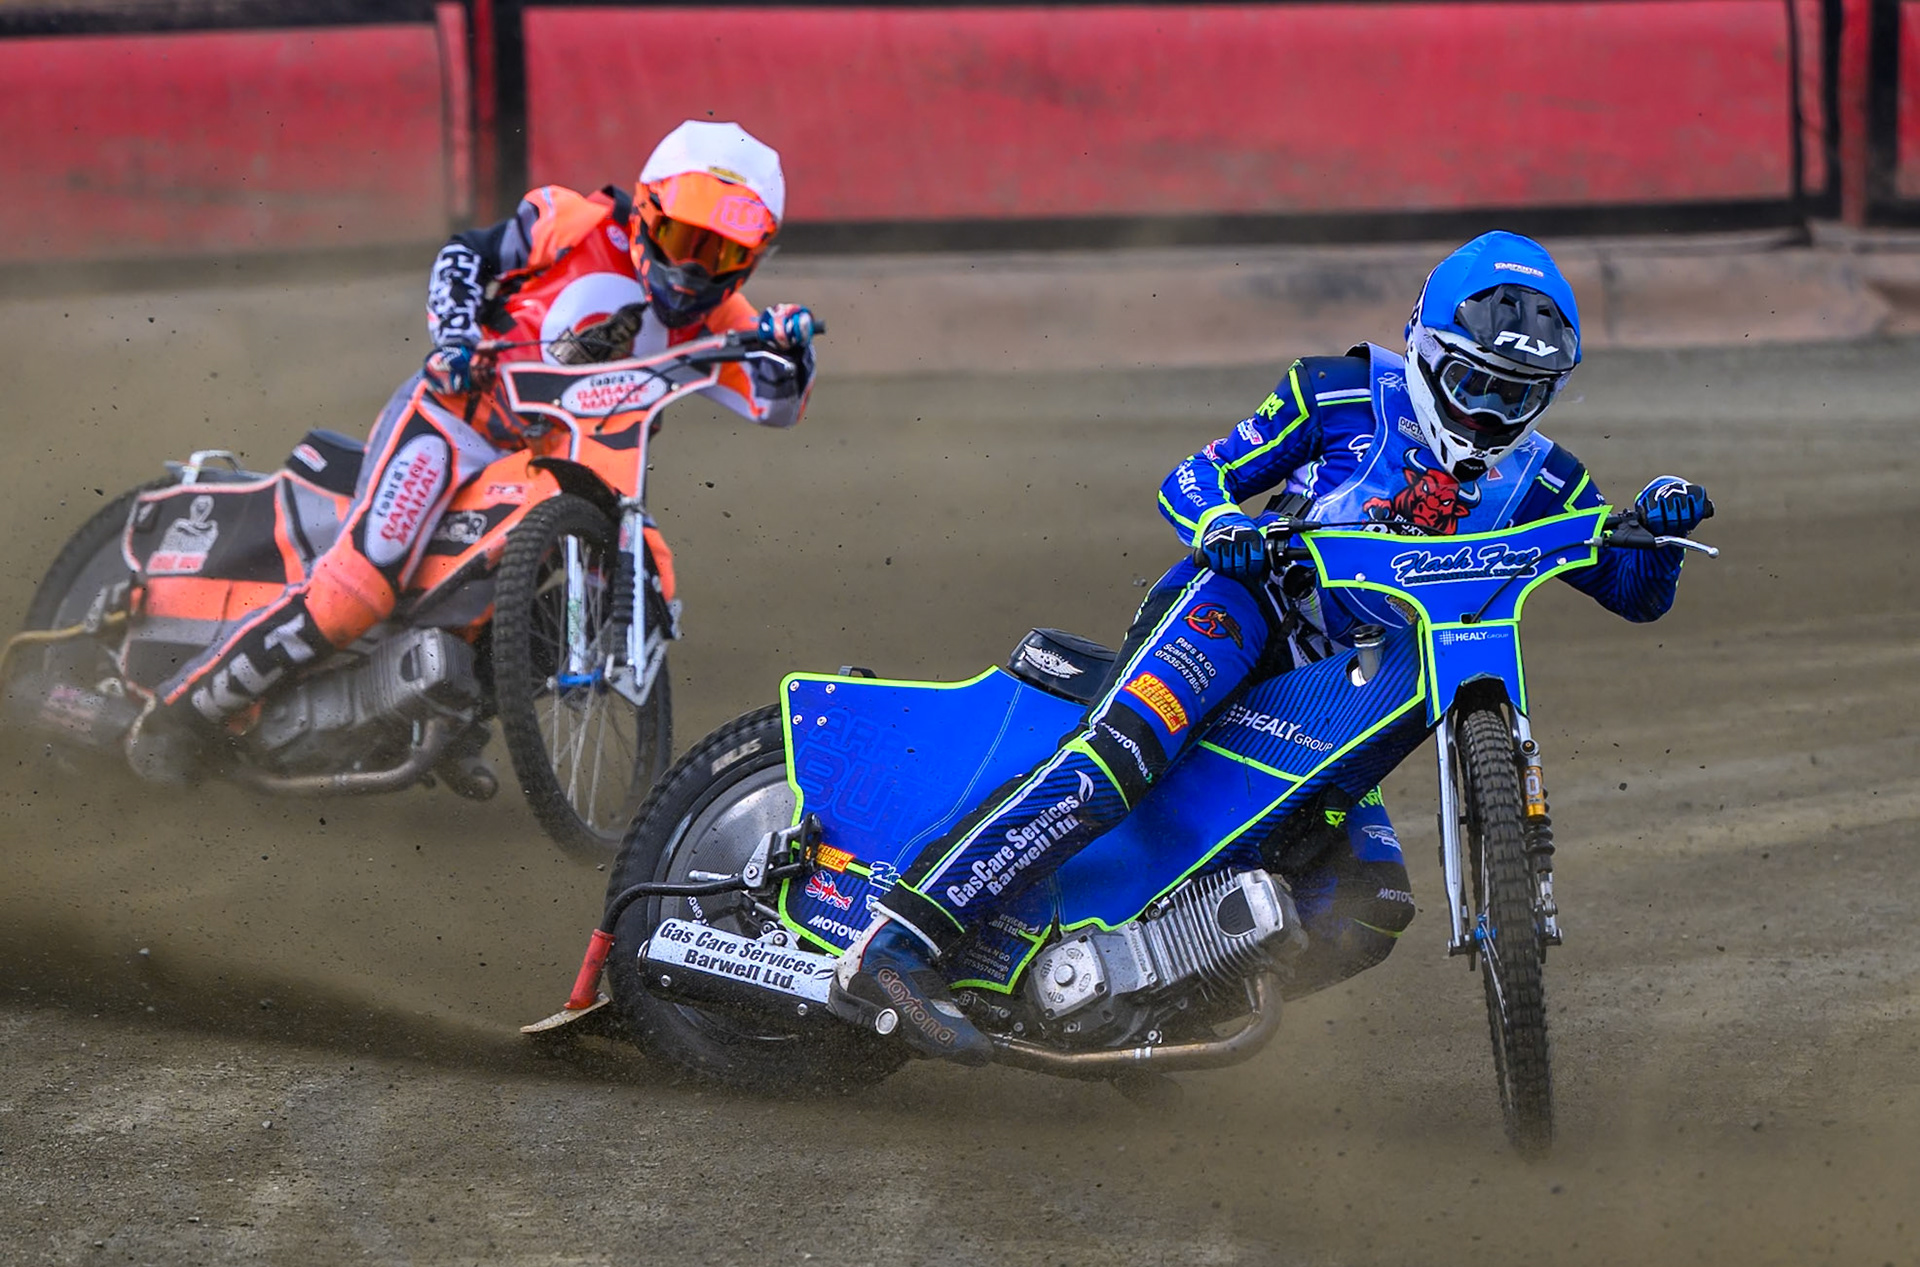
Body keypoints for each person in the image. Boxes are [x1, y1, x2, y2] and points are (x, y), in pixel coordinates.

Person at [833, 230, 1713, 1062]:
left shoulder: (1547, 480)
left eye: (1517, 396)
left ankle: (1141, 1017)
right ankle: (894, 945)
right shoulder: (1334, 393)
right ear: (1431, 351)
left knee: (1372, 906)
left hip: (1343, 687)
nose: (1491, 414)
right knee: (1119, 759)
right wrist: (1221, 523)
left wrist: (1662, 529)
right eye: (1476, 384)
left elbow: (1633, 593)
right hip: (1239, 612)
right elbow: (1194, 476)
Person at [130, 120, 817, 780]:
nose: (694, 271)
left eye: (721, 254)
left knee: (649, 578)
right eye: (680, 238)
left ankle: (446, 708)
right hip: (456, 422)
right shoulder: (573, 221)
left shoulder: (726, 325)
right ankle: (180, 715)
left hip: (554, 469)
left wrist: (792, 349)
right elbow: (466, 254)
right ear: (645, 211)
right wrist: (457, 335)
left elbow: (775, 403)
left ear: (751, 261)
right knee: (360, 587)